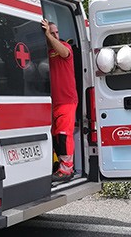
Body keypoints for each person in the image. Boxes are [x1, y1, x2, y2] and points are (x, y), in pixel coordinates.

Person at [41, 18, 78, 182]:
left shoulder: (65, 48)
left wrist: (49, 35)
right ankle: (60, 166)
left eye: (57, 32)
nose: (56, 35)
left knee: (64, 135)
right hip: (53, 102)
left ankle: (67, 170)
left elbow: (62, 52)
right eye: (52, 32)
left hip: (67, 100)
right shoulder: (46, 54)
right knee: (56, 136)